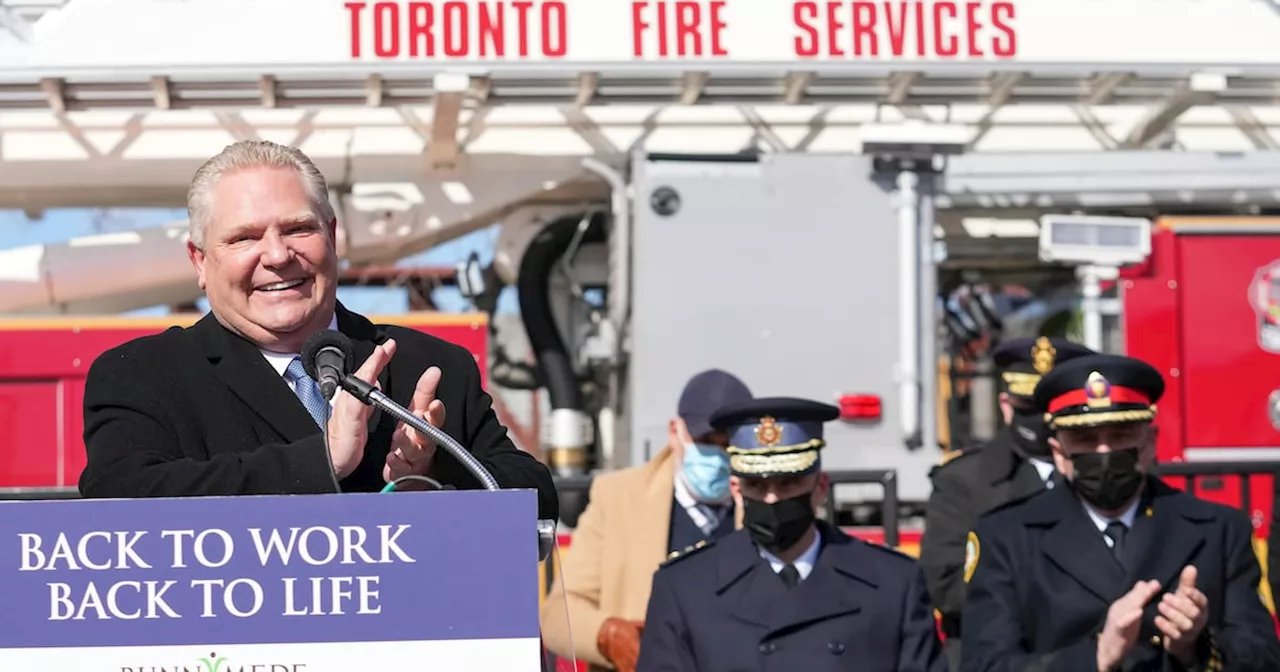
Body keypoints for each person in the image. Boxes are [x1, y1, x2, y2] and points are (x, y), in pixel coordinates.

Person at [76, 139, 558, 522]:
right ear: (200, 260)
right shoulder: (141, 376)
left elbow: (536, 497)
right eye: (244, 237)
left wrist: (431, 473)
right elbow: (120, 503)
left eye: (297, 229)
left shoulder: (427, 366)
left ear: (332, 235)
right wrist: (323, 461)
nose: (278, 255)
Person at [961, 353, 1280, 672]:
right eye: (1085, 439)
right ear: (1059, 453)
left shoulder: (1218, 530)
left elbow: (1263, 658)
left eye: (1121, 434)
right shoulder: (1006, 537)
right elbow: (985, 664)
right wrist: (1096, 657)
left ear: (1151, 441)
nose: (1104, 452)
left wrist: (1195, 645)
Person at [636, 397, 946, 672]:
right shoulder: (686, 588)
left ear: (820, 487)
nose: (772, 499)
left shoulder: (891, 583)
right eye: (757, 486)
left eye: (788, 484)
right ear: (737, 490)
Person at [541, 369, 752, 672]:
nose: (718, 455)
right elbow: (559, 614)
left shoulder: (767, 503)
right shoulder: (618, 498)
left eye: (729, 443)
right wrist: (608, 636)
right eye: (706, 440)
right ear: (675, 433)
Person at [919, 336, 1093, 669]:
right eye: (1028, 406)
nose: (1040, 420)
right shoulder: (965, 480)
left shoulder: (1095, 473)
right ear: (1006, 404)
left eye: (1049, 408)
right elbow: (944, 585)